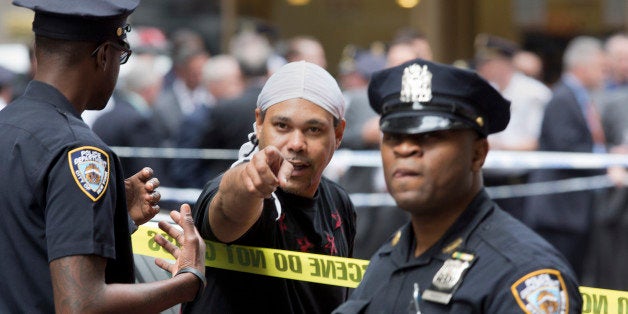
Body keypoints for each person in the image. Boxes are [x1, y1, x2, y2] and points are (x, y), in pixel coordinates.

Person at [0, 1, 206, 312]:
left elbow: (27, 241)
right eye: (121, 56)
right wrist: (188, 282)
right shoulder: (80, 151)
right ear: (104, 56)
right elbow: (81, 304)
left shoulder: (7, 124)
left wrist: (114, 217)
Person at [333, 58, 582, 313]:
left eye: (430, 136)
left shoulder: (522, 274)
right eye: (394, 136)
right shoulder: (387, 258)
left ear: (477, 154)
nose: (405, 148)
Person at [182, 60, 357, 313]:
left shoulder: (339, 201)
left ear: (338, 133)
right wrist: (250, 184)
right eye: (282, 126)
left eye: (313, 129)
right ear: (259, 123)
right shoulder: (242, 188)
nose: (296, 143)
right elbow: (230, 208)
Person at [523, 36, 608, 280]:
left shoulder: (577, 97)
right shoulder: (562, 98)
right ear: (582, 67)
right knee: (560, 278)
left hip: (571, 212)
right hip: (558, 214)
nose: (604, 74)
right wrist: (605, 166)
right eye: (600, 68)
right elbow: (568, 149)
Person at [473, 33, 552, 221]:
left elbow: (536, 142)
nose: (481, 67)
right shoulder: (485, 90)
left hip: (518, 183)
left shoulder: (534, 92)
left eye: (487, 62)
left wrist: (498, 146)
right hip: (485, 180)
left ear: (503, 64)